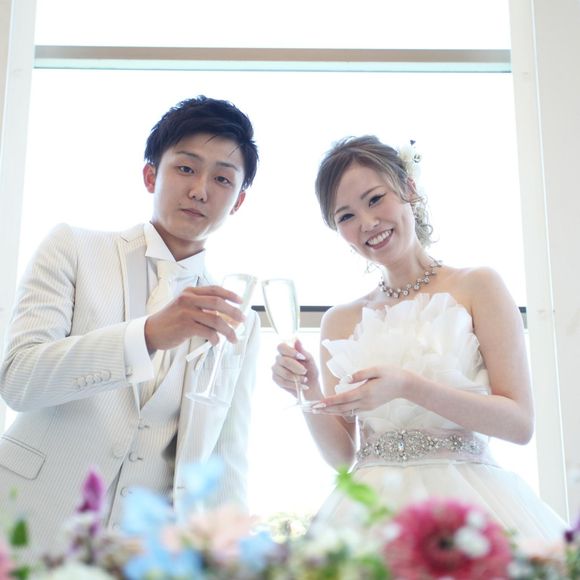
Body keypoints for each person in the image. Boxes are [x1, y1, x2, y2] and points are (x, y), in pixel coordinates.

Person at [0, 95, 260, 557]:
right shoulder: (73, 247)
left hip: (142, 554)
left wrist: (229, 555)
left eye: (222, 178)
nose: (200, 190)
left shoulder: (238, 319)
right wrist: (148, 336)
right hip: (26, 523)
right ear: (150, 175)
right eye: (186, 168)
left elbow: (225, 459)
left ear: (238, 200)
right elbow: (20, 380)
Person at [272, 135, 566, 540]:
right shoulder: (339, 321)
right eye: (346, 216)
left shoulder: (478, 286)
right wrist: (306, 389)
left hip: (467, 503)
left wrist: (408, 387)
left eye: (375, 199)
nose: (367, 223)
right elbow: (341, 458)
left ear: (408, 189)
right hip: (370, 518)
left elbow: (519, 424)